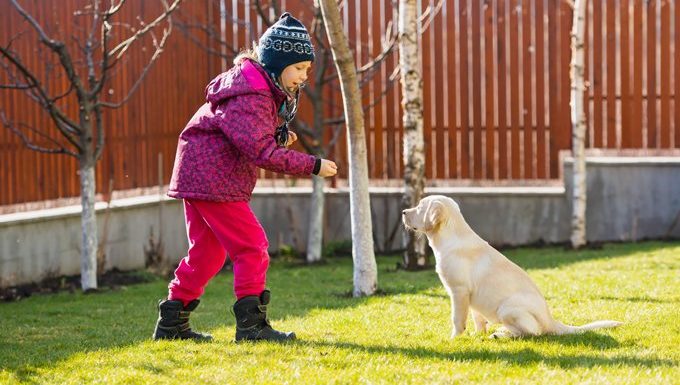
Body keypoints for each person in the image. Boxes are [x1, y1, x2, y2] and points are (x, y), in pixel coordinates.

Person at [153, 12, 337, 343]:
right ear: (276, 63)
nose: (303, 76)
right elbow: (260, 152)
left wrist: (277, 137)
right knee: (252, 246)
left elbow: (246, 136)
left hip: (201, 174)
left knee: (207, 253)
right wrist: (312, 165)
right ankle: (252, 328)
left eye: (307, 70)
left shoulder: (252, 88)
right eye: (298, 68)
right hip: (213, 179)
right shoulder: (251, 94)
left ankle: (171, 325)